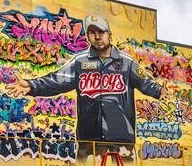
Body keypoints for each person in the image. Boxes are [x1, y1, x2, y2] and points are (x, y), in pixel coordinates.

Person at [12, 14, 163, 155]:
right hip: (88, 139)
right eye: (92, 32)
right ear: (88, 36)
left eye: (101, 32)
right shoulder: (80, 62)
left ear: (109, 35)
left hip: (122, 138)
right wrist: (31, 85)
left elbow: (146, 83)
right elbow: (56, 81)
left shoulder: (127, 63)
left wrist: (160, 91)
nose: (97, 37)